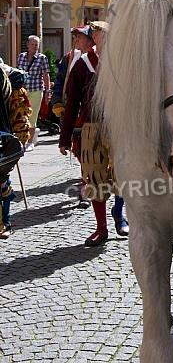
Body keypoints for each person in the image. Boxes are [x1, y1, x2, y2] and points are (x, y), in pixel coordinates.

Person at [59, 21, 128, 246]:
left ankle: (119, 215)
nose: (101, 39)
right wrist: (65, 137)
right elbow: (72, 104)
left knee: (122, 174)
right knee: (94, 177)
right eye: (98, 36)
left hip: (120, 125)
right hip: (92, 127)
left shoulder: (123, 64)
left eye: (104, 35)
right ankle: (101, 228)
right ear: (95, 40)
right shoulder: (82, 65)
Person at [0, 66, 31, 238]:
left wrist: (20, 135)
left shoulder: (5, 73)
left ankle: (5, 222)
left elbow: (18, 80)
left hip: (2, 133)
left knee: (1, 180)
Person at [51, 25, 96, 119]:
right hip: (69, 107)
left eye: (80, 37)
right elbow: (59, 80)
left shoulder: (98, 58)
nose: (76, 40)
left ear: (89, 41)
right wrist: (57, 101)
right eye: (76, 37)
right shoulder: (69, 58)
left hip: (90, 109)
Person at [17, 35, 51, 152]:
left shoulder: (42, 58)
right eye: (32, 44)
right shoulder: (21, 57)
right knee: (22, 115)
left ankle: (30, 142)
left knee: (33, 116)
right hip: (23, 90)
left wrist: (48, 90)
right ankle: (23, 139)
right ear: (27, 45)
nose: (35, 47)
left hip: (36, 90)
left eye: (36, 45)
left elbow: (46, 75)